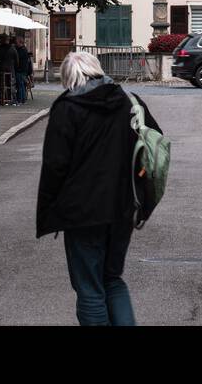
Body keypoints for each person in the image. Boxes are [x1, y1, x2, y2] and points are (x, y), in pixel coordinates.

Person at [36, 51, 160, 326]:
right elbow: (154, 148)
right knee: (112, 279)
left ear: (68, 78)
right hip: (123, 207)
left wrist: (47, 213)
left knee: (89, 287)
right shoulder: (130, 102)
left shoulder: (67, 108)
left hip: (82, 214)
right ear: (97, 69)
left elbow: (55, 166)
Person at [14, 35, 32, 105]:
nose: (16, 43)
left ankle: (21, 99)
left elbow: (18, 59)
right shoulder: (24, 49)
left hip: (21, 70)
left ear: (20, 42)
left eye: (17, 42)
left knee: (20, 85)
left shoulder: (22, 50)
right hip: (23, 70)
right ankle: (22, 99)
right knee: (21, 85)